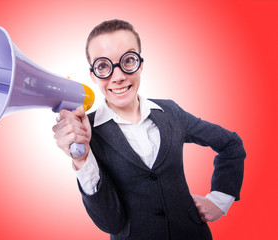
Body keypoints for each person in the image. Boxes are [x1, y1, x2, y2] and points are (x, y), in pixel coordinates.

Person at [52, 19, 246, 240]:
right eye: (103, 66)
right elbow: (110, 222)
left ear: (141, 64)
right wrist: (82, 159)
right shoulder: (87, 132)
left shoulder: (171, 112)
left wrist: (220, 199)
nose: (118, 77)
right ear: (93, 75)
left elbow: (231, 144)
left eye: (128, 60)